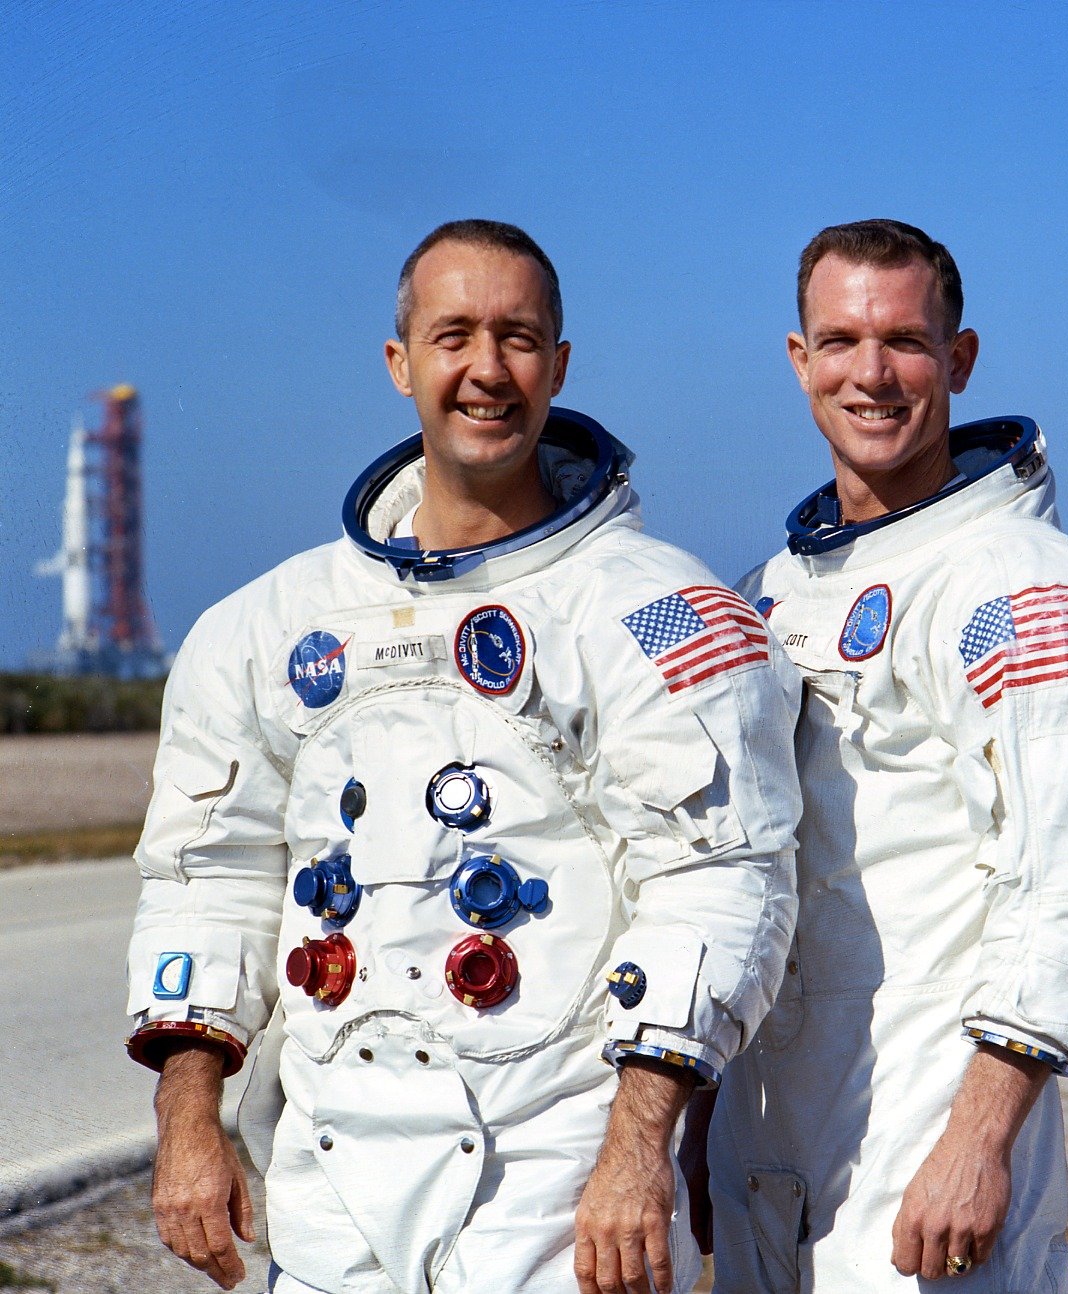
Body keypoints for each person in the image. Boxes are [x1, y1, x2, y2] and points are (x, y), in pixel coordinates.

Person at [123, 219, 801, 1294]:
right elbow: (208, 875)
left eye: (518, 338)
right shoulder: (267, 625)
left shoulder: (658, 609)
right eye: (454, 336)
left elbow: (719, 882)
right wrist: (187, 1117)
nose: (486, 370)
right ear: (400, 365)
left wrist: (637, 1154)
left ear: (560, 366)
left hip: (552, 1172)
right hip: (331, 1168)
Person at [699, 218, 1068, 1291]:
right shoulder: (769, 592)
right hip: (769, 1140)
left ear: (957, 360)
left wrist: (979, 1140)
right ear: (798, 358)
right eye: (842, 340)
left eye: (905, 342)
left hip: (931, 1126)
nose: (872, 373)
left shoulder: (1027, 589)